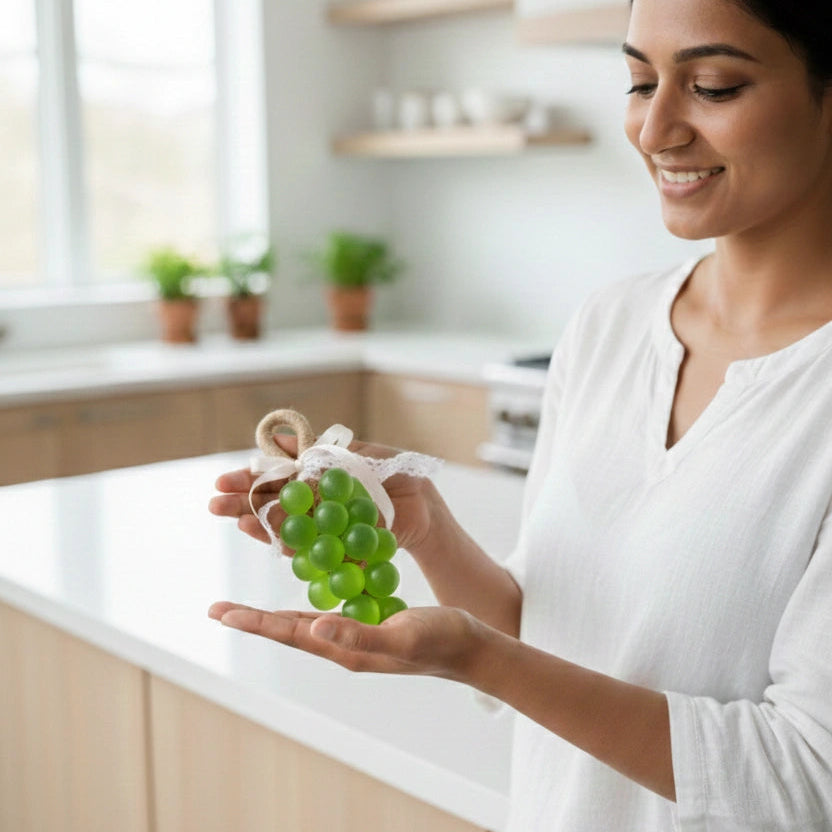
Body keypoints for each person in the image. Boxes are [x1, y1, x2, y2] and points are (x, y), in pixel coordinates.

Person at [207, 0, 832, 827]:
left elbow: (804, 781)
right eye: (641, 82)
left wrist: (477, 658)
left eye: (713, 86)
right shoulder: (609, 325)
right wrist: (428, 530)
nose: (655, 130)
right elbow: (544, 637)